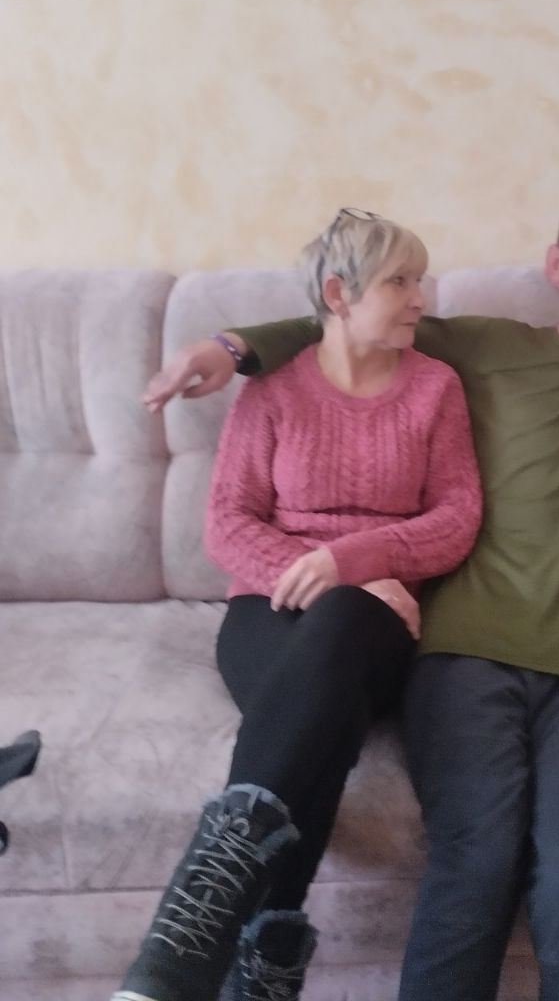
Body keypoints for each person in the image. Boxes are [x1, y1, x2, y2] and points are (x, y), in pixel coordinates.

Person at [143, 187, 559, 1001]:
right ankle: (253, 936)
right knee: (476, 859)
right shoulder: (484, 346)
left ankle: (243, 933)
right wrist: (236, 346)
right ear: (552, 263)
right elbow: (346, 324)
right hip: (464, 651)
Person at [112, 209, 482, 1001]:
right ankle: (266, 964)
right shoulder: (274, 390)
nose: (422, 297)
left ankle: (187, 942)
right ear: (340, 294)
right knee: (323, 720)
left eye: (419, 279)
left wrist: (350, 564)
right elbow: (227, 523)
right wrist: (311, 570)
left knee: (342, 626)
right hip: (267, 611)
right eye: (401, 281)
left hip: (376, 619)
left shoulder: (435, 388)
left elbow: (456, 519)